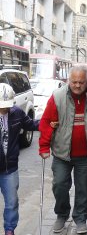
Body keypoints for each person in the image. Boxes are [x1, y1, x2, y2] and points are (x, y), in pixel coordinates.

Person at [38, 65, 87, 234]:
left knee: (84, 188)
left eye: (81, 82)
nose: (77, 85)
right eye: (74, 82)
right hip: (62, 153)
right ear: (68, 80)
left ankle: (80, 218)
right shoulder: (57, 97)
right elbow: (45, 123)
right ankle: (62, 214)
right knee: (59, 185)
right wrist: (43, 146)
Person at [0, 83, 40, 235]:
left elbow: (30, 124)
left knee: (12, 203)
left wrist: (48, 123)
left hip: (10, 168)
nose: (4, 109)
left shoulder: (16, 112)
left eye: (6, 106)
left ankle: (9, 230)